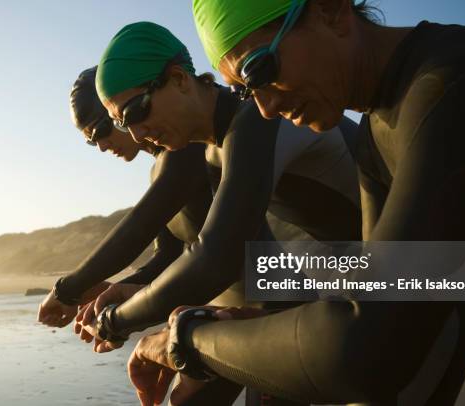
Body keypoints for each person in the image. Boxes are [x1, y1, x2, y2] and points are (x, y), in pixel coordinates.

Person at [119, 1, 465, 405]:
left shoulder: (458, 78)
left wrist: (189, 340)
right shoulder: (375, 129)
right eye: (246, 90)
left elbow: (366, 348)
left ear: (331, 11)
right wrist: (256, 326)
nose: (265, 107)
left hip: (432, 313)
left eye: (259, 70)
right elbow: (370, 288)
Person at [79, 20, 360, 360]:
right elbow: (217, 255)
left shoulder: (259, 117)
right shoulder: (215, 151)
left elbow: (216, 258)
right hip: (345, 293)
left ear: (180, 79)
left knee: (189, 345)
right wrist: (135, 291)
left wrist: (115, 322)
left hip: (412, 283)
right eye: (123, 124)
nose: (137, 134)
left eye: (136, 111)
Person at [37, 67, 213, 329]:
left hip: (278, 288)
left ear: (117, 111)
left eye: (100, 130)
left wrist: (68, 289)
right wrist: (113, 294)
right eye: (90, 141)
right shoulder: (161, 169)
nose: (101, 146)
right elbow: (167, 257)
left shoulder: (189, 147)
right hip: (235, 298)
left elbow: (139, 228)